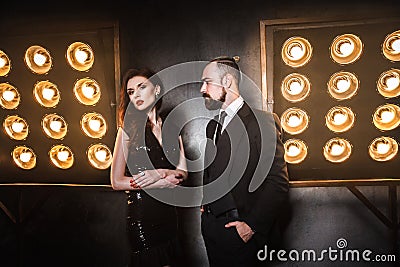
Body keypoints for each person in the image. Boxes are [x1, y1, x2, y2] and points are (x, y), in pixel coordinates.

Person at [199, 56, 289, 267]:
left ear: (227, 81)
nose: (202, 89)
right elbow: (213, 171)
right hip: (212, 229)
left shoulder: (263, 121)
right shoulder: (212, 126)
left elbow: (278, 182)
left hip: (241, 231)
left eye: (207, 81)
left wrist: (251, 226)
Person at [110, 68, 188, 267]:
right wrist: (159, 183)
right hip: (144, 216)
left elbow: (183, 172)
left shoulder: (172, 127)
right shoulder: (127, 130)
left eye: (141, 87)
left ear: (157, 89)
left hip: (170, 215)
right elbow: (117, 181)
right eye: (130, 92)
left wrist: (161, 173)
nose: (136, 94)